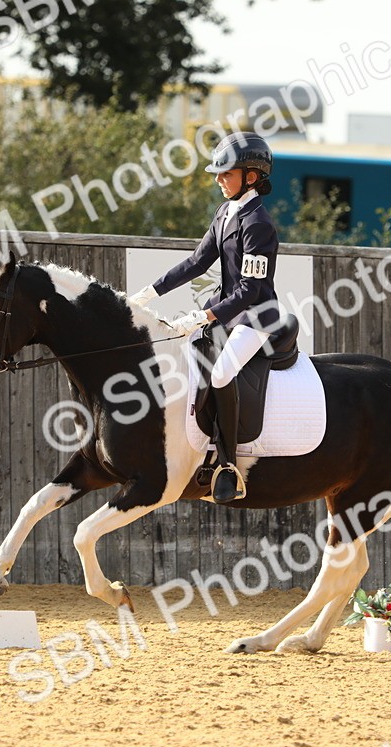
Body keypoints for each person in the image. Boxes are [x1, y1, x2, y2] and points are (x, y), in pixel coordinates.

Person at [130, 131, 280, 503]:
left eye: (226, 174)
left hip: (255, 317)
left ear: (251, 176)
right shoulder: (225, 213)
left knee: (222, 372)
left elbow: (250, 290)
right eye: (218, 173)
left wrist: (203, 315)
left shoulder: (258, 224)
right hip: (226, 313)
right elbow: (197, 262)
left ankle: (227, 465)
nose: (218, 180)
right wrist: (150, 292)